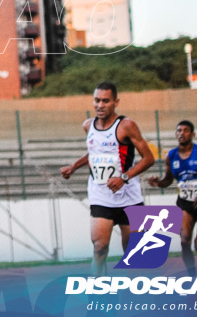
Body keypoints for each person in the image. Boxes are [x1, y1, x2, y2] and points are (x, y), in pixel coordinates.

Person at [60, 82, 155, 275]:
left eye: (105, 101)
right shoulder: (88, 126)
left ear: (115, 102)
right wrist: (74, 167)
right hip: (101, 194)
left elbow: (149, 159)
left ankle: (133, 292)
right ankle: (99, 291)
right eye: (97, 100)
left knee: (133, 251)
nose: (100, 105)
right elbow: (94, 153)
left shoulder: (126, 126)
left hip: (129, 196)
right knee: (100, 247)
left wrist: (123, 177)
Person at [147, 119, 197, 274]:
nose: (181, 133)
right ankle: (192, 276)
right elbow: (168, 180)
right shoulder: (171, 156)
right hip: (184, 203)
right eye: (179, 131)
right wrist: (158, 182)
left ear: (193, 134)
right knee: (184, 241)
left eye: (185, 130)